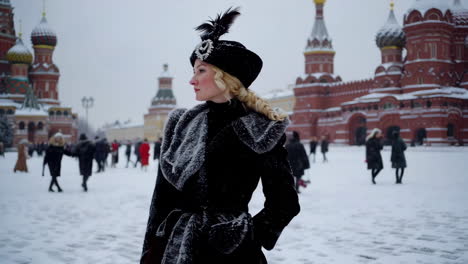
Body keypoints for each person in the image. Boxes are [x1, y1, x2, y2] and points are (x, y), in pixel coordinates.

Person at [141, 8, 299, 264]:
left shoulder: (261, 128)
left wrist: (241, 236)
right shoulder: (180, 124)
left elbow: (285, 202)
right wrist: (150, 254)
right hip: (175, 249)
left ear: (225, 78)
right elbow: (161, 202)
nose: (192, 80)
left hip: (234, 257)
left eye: (200, 71)